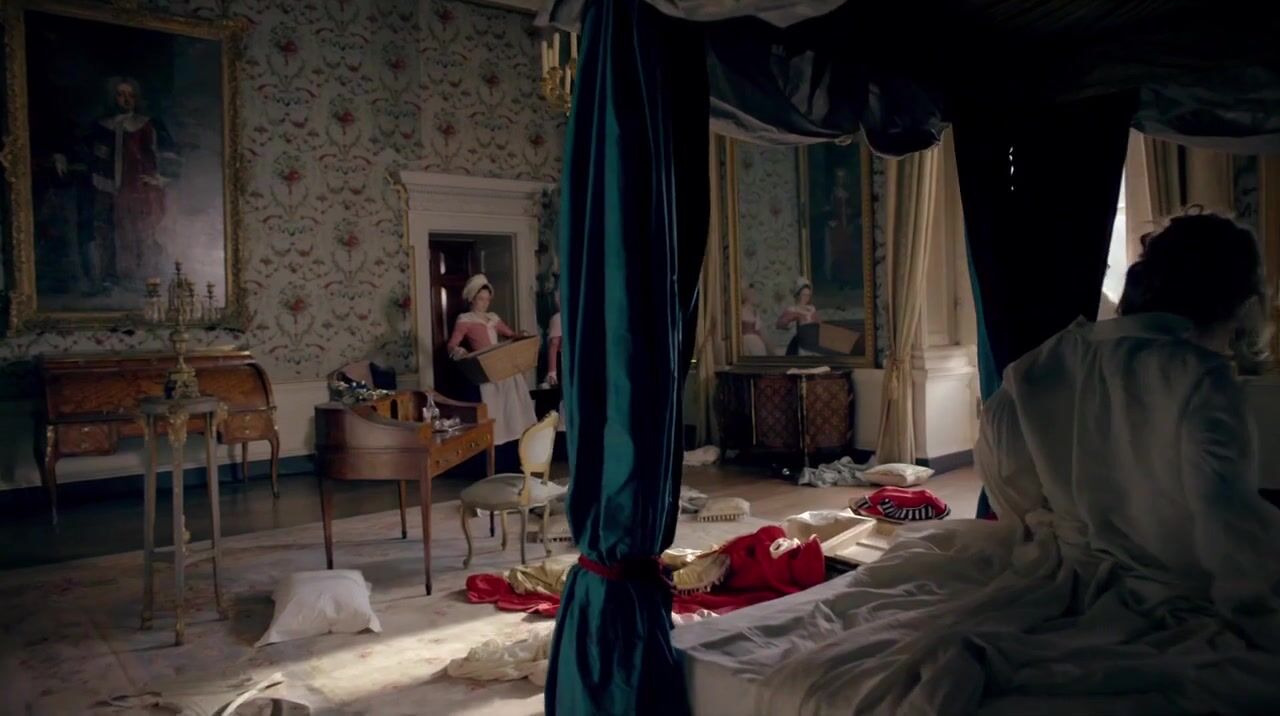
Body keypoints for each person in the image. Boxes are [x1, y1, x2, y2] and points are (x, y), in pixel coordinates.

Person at [726, 212, 1280, 715]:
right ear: (1227, 300)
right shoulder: (1199, 378)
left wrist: (1056, 536)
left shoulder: (1049, 361)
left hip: (1060, 569)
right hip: (1164, 590)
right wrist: (1255, 614)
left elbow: (1007, 472)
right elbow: (1226, 523)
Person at [55, 77, 176, 290]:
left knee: (141, 232)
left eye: (131, 95)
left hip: (139, 188)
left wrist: (160, 177)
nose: (126, 99)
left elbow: (170, 154)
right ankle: (108, 277)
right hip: (105, 186)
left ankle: (142, 279)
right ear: (113, 97)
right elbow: (81, 148)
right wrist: (62, 156)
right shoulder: (100, 126)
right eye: (121, 94)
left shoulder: (149, 124)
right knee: (105, 231)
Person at [448, 274, 538, 461]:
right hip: (487, 371)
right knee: (495, 411)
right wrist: (459, 351)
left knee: (513, 409)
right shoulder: (465, 319)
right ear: (472, 298)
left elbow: (511, 334)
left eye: (487, 300)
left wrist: (521, 335)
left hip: (504, 367)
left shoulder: (493, 318)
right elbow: (452, 344)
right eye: (481, 299)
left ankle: (519, 453)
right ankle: (495, 454)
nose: (485, 303)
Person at [776, 277, 818, 356]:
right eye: (804, 295)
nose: (806, 298)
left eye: (808, 295)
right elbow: (779, 324)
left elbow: (818, 324)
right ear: (798, 295)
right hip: (797, 341)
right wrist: (795, 316)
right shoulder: (792, 309)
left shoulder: (812, 308)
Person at [740, 283, 774, 356]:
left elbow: (761, 331)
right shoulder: (740, 311)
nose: (755, 297)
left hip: (755, 342)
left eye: (755, 294)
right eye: (753, 295)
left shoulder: (755, 312)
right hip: (745, 342)